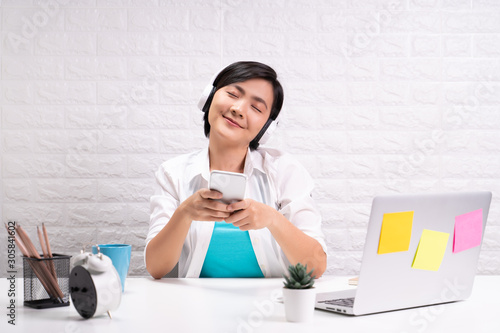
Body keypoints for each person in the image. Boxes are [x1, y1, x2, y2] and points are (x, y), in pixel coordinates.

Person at [145, 61, 327, 279]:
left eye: (256, 108)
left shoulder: (284, 171)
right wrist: (184, 214)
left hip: (270, 307)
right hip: (195, 307)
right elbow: (156, 268)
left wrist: (272, 219)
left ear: (266, 128)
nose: (238, 109)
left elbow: (316, 267)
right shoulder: (173, 173)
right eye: (232, 94)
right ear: (209, 97)